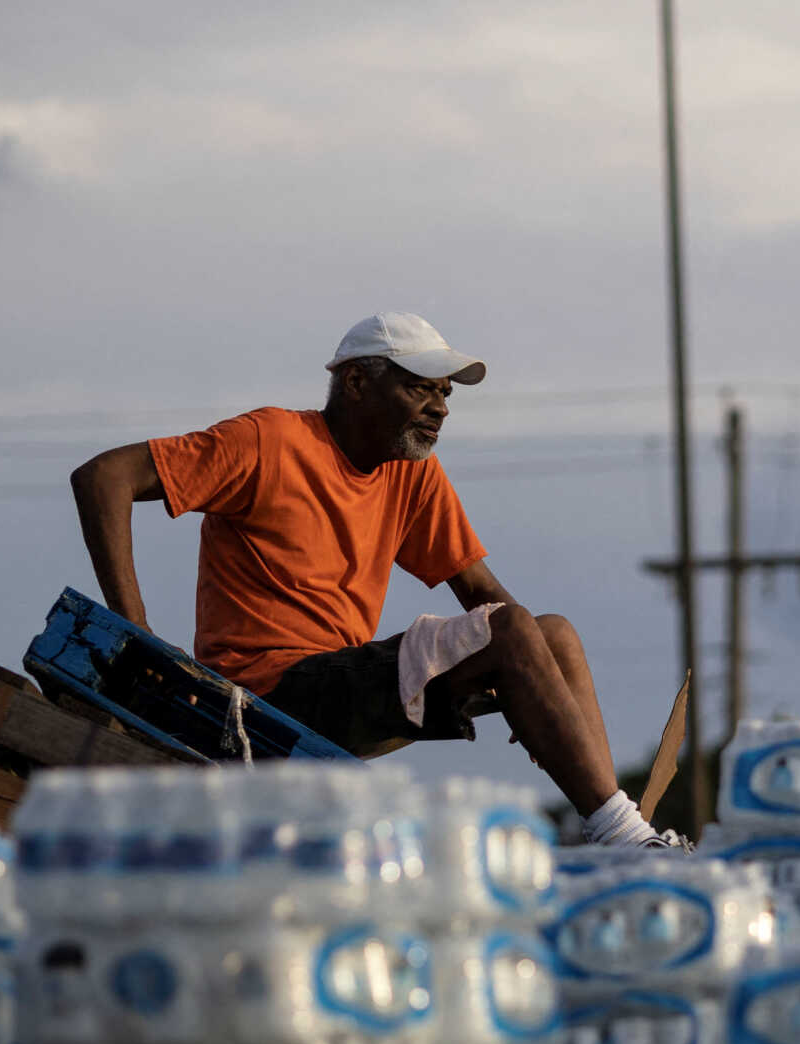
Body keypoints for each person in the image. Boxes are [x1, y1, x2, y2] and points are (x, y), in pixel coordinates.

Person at [68, 309, 678, 849]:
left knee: (554, 635)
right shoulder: (270, 441)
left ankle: (621, 833)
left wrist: (537, 688)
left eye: (444, 394)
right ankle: (621, 834)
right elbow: (103, 477)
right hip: (269, 691)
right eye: (419, 389)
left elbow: (483, 595)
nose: (439, 407)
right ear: (358, 382)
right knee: (514, 632)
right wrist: (135, 632)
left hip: (345, 684)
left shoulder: (411, 473)